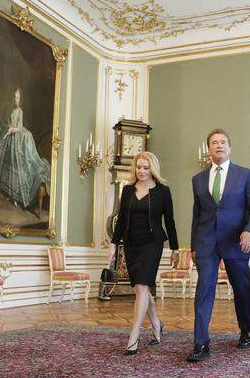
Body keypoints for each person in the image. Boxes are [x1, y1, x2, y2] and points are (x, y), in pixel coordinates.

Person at [187, 129, 250, 362]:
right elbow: (197, 215)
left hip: (236, 241)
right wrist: (193, 246)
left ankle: (246, 331)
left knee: (242, 289)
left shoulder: (245, 174)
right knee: (204, 291)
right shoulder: (198, 179)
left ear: (229, 148)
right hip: (206, 243)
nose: (218, 145)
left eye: (222, 142)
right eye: (213, 142)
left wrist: (249, 230)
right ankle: (200, 343)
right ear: (208, 149)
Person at [109, 152, 179, 355]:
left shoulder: (163, 192)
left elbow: (170, 222)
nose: (141, 171)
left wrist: (175, 249)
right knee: (144, 290)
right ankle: (156, 323)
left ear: (153, 169)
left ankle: (134, 335)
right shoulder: (128, 190)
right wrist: (113, 245)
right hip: (131, 244)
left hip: (152, 244)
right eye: (138, 167)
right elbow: (121, 219)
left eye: (145, 167)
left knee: (140, 287)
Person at [0, 88, 51, 209]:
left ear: (20, 99)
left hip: (16, 138)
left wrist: (11, 130)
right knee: (7, 163)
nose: (15, 99)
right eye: (14, 97)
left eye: (17, 98)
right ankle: (7, 192)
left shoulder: (20, 111)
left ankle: (16, 196)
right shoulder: (11, 109)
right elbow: (9, 121)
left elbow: (19, 127)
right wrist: (7, 127)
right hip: (10, 138)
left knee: (17, 165)